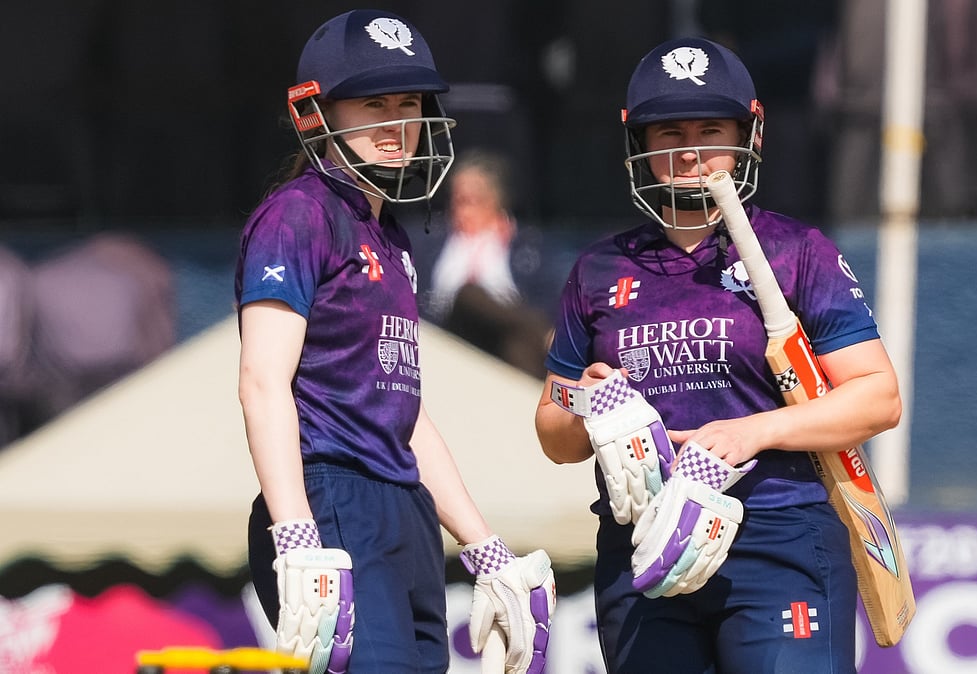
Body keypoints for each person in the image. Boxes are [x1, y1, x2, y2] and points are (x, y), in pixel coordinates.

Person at [533, 37, 901, 673]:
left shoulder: (796, 251)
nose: (690, 150)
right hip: (645, 545)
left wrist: (751, 432)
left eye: (710, 131)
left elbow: (878, 397)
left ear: (747, 135)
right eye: (669, 132)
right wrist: (591, 405)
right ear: (639, 143)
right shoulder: (599, 269)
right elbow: (553, 432)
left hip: (777, 534)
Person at [236, 10, 553, 673]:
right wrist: (294, 533)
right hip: (332, 493)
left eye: (407, 103)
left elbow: (404, 416)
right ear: (318, 113)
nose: (396, 122)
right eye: (373, 104)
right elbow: (262, 382)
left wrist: (484, 546)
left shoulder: (392, 238)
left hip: (404, 507)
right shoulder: (298, 214)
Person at [428, 150, 552, 378]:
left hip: (505, 337)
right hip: (449, 333)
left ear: (496, 200)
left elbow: (545, 297)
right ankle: (543, 333)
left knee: (516, 343)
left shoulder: (527, 246)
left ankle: (533, 396)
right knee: (469, 292)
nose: (459, 209)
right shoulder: (432, 240)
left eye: (471, 201)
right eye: (456, 200)